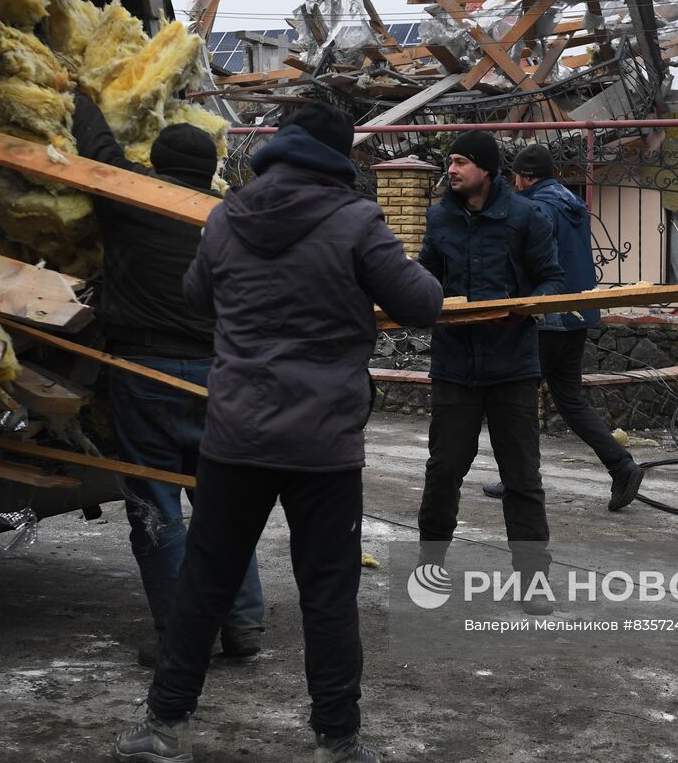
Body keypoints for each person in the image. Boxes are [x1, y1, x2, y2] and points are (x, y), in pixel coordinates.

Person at [116, 101, 443, 763]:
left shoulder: (226, 216)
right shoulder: (356, 221)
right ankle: (338, 740)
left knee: (205, 581)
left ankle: (161, 726)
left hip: (236, 431)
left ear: (278, 148)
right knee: (327, 591)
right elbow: (421, 304)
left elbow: (197, 297)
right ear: (338, 154)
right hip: (322, 442)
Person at [72, 94, 265, 667]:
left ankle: (184, 639)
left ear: (153, 166)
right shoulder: (234, 218)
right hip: (222, 375)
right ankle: (243, 620)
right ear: (210, 170)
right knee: (222, 502)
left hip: (147, 372)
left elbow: (99, 153)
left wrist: (80, 94)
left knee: (156, 504)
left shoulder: (135, 201)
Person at [414, 131, 565, 614]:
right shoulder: (440, 217)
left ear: (485, 168)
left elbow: (552, 279)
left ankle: (534, 582)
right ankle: (430, 571)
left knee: (521, 476)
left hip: (512, 367)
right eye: (449, 162)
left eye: (460, 162)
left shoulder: (525, 216)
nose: (452, 170)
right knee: (443, 471)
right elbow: (426, 277)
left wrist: (524, 310)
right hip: (455, 366)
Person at [482, 144, 645, 511]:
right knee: (569, 400)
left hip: (545, 320)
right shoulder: (571, 205)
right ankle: (622, 466)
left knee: (513, 400)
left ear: (524, 177)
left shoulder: (537, 208)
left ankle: (519, 479)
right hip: (577, 315)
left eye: (515, 176)